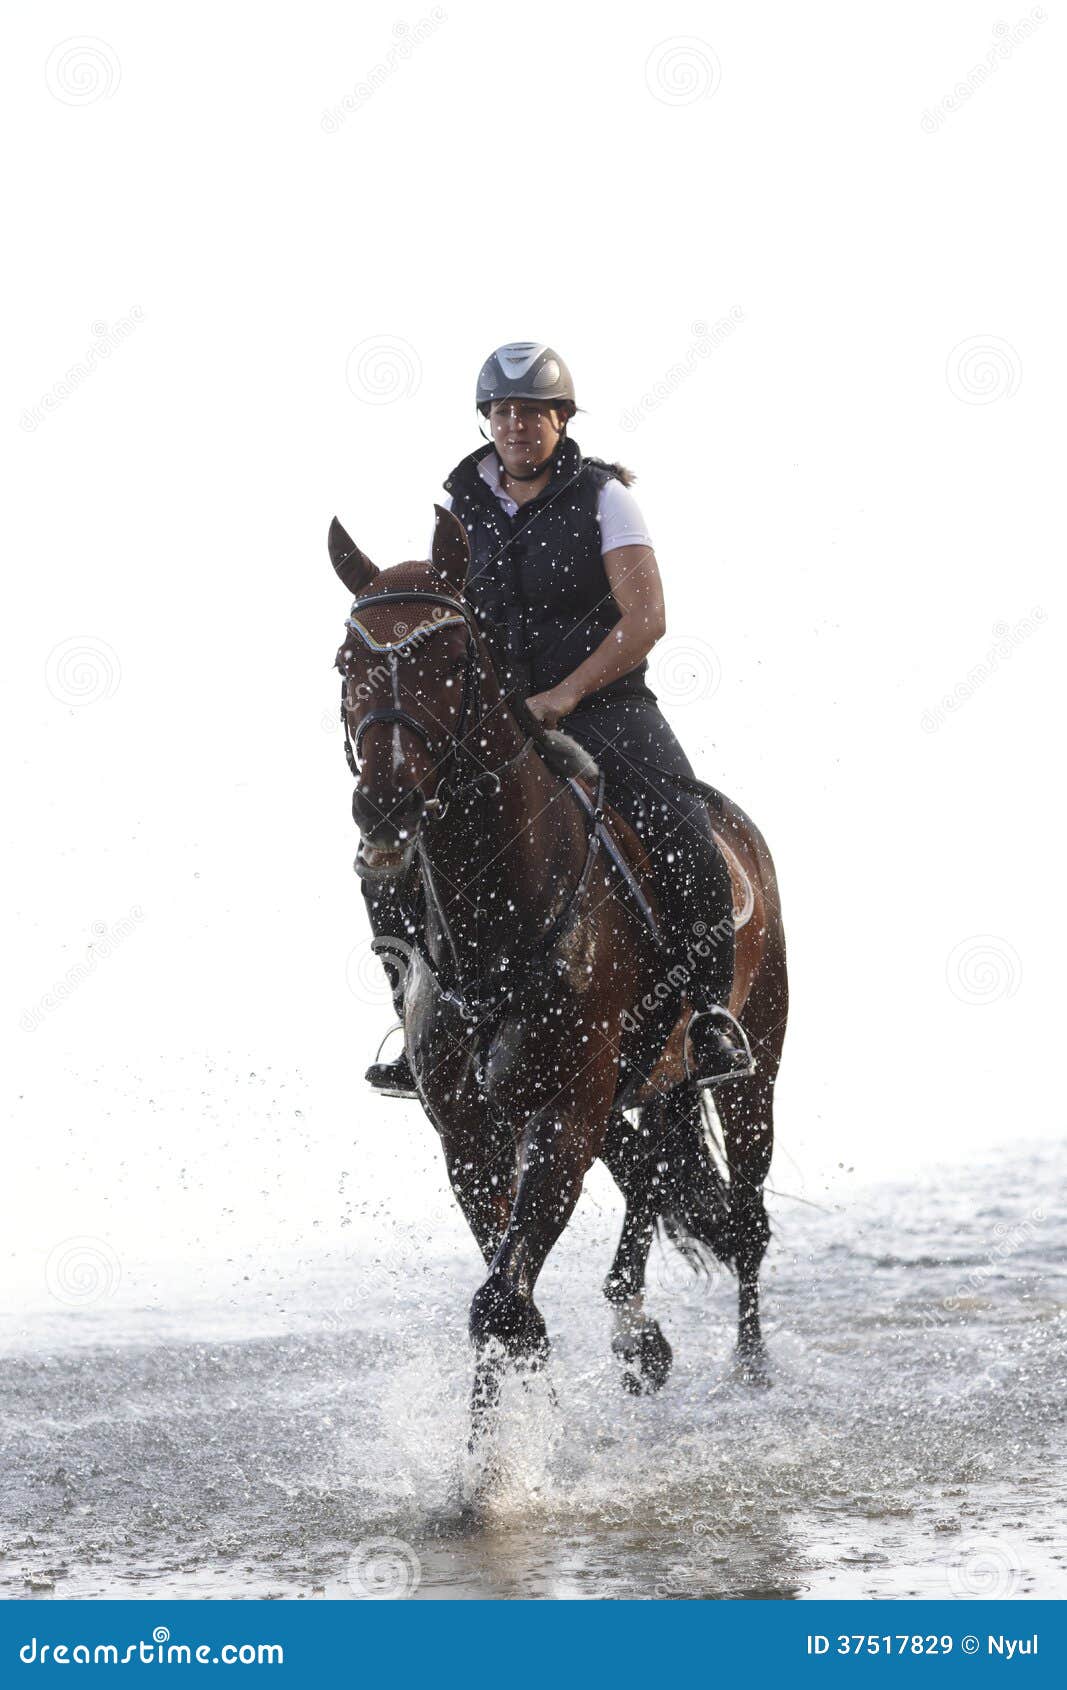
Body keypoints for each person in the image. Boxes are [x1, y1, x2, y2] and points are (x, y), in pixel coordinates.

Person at [363, 341, 753, 1096]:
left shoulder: (606, 498)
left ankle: (708, 1015)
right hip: (495, 720)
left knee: (678, 828)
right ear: (487, 420)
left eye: (532, 413)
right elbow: (446, 617)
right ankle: (416, 1020)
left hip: (607, 705)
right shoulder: (458, 503)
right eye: (502, 412)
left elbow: (644, 620)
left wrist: (566, 694)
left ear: (561, 418)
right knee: (390, 841)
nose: (515, 425)